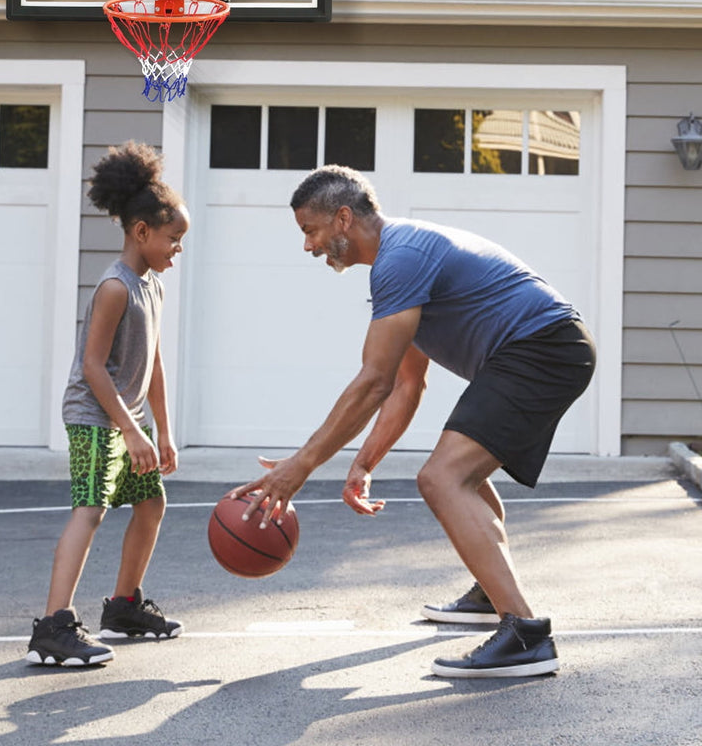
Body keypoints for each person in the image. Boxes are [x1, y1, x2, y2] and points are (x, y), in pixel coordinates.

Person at [232, 164, 596, 678]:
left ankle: (525, 634)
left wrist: (301, 466)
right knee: (459, 474)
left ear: (342, 219)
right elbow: (406, 384)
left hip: (544, 348)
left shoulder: (400, 259)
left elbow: (372, 381)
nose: (309, 247)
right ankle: (493, 593)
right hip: (535, 350)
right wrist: (363, 463)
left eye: (310, 231)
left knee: (443, 478)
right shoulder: (402, 264)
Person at [26, 142, 188, 667]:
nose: (177, 249)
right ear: (141, 232)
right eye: (173, 238)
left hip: (128, 421)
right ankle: (54, 625)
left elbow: (154, 362)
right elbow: (94, 367)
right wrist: (131, 430)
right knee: (90, 510)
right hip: (95, 417)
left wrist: (160, 430)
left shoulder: (152, 285)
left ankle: (123, 606)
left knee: (152, 502)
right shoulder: (115, 287)